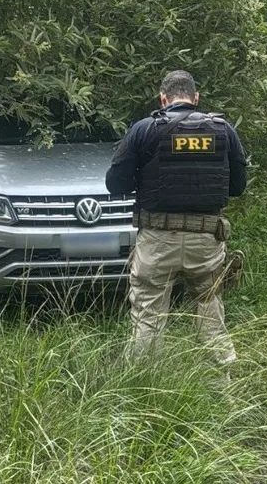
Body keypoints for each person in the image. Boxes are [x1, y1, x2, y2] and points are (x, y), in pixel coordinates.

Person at [105, 70, 247, 369]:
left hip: (157, 239)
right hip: (206, 240)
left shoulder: (145, 129)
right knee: (210, 309)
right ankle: (226, 385)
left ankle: (147, 383)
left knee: (148, 316)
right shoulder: (223, 130)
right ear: (196, 98)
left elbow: (115, 184)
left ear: (162, 98)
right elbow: (237, 187)